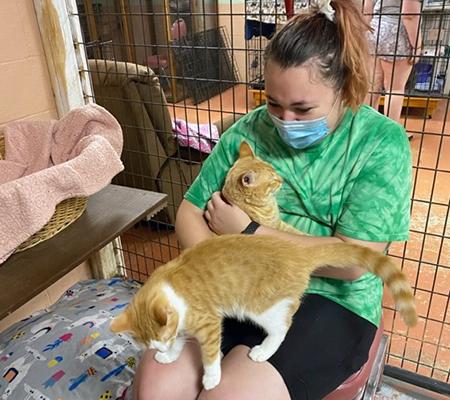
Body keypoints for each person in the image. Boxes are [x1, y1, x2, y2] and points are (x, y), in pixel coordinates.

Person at [131, 1, 412, 399]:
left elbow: (353, 261)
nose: (284, 122)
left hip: (329, 300)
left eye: (302, 109)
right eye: (274, 104)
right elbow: (190, 212)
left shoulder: (380, 143)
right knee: (156, 386)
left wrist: (249, 233)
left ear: (344, 89)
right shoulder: (247, 134)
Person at [365, 0, 423, 129]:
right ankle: (390, 134)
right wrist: (417, 45)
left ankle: (366, 129)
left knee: (373, 86)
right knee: (395, 89)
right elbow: (409, 14)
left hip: (374, 27)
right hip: (396, 30)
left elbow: (367, 9)